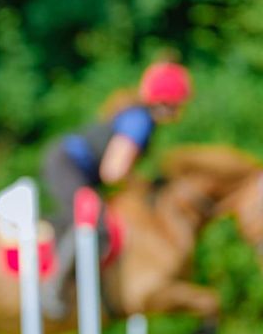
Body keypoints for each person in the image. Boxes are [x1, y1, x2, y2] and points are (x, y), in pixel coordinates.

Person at [39, 59, 193, 318]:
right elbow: (113, 171)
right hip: (67, 165)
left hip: (73, 166)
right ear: (169, 101)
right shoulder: (141, 122)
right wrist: (140, 185)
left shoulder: (140, 117)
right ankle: (53, 289)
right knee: (95, 223)